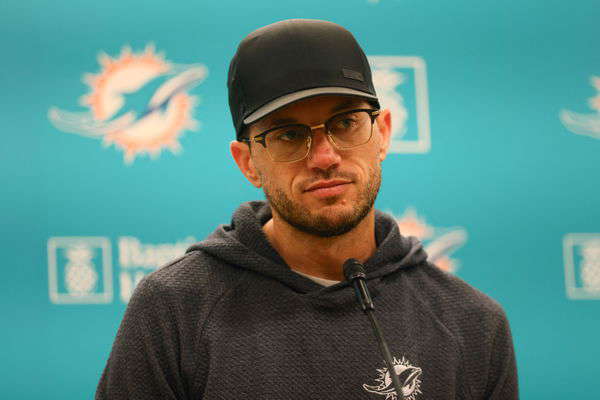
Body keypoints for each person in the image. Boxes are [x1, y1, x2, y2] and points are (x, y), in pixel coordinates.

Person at [96, 19, 518, 399]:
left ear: (383, 133)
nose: (324, 157)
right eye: (288, 135)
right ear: (247, 163)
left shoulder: (472, 323)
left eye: (346, 123)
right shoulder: (174, 309)